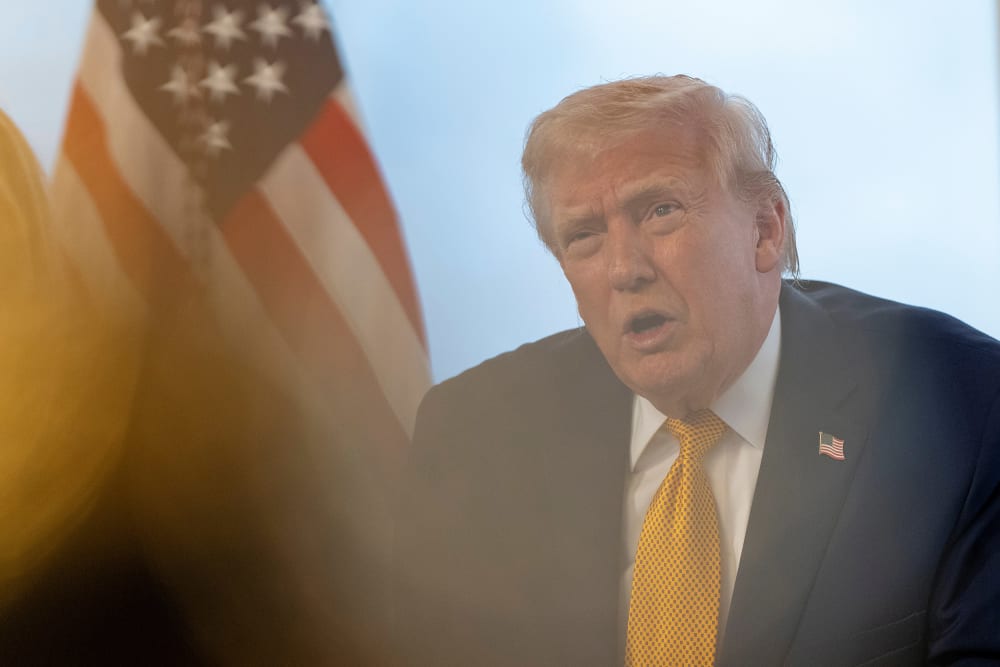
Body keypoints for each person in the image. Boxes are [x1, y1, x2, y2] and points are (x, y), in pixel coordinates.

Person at [394, 75, 1000, 666]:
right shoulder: (476, 430)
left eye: (660, 211)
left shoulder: (959, 404)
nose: (623, 269)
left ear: (765, 231)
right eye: (584, 236)